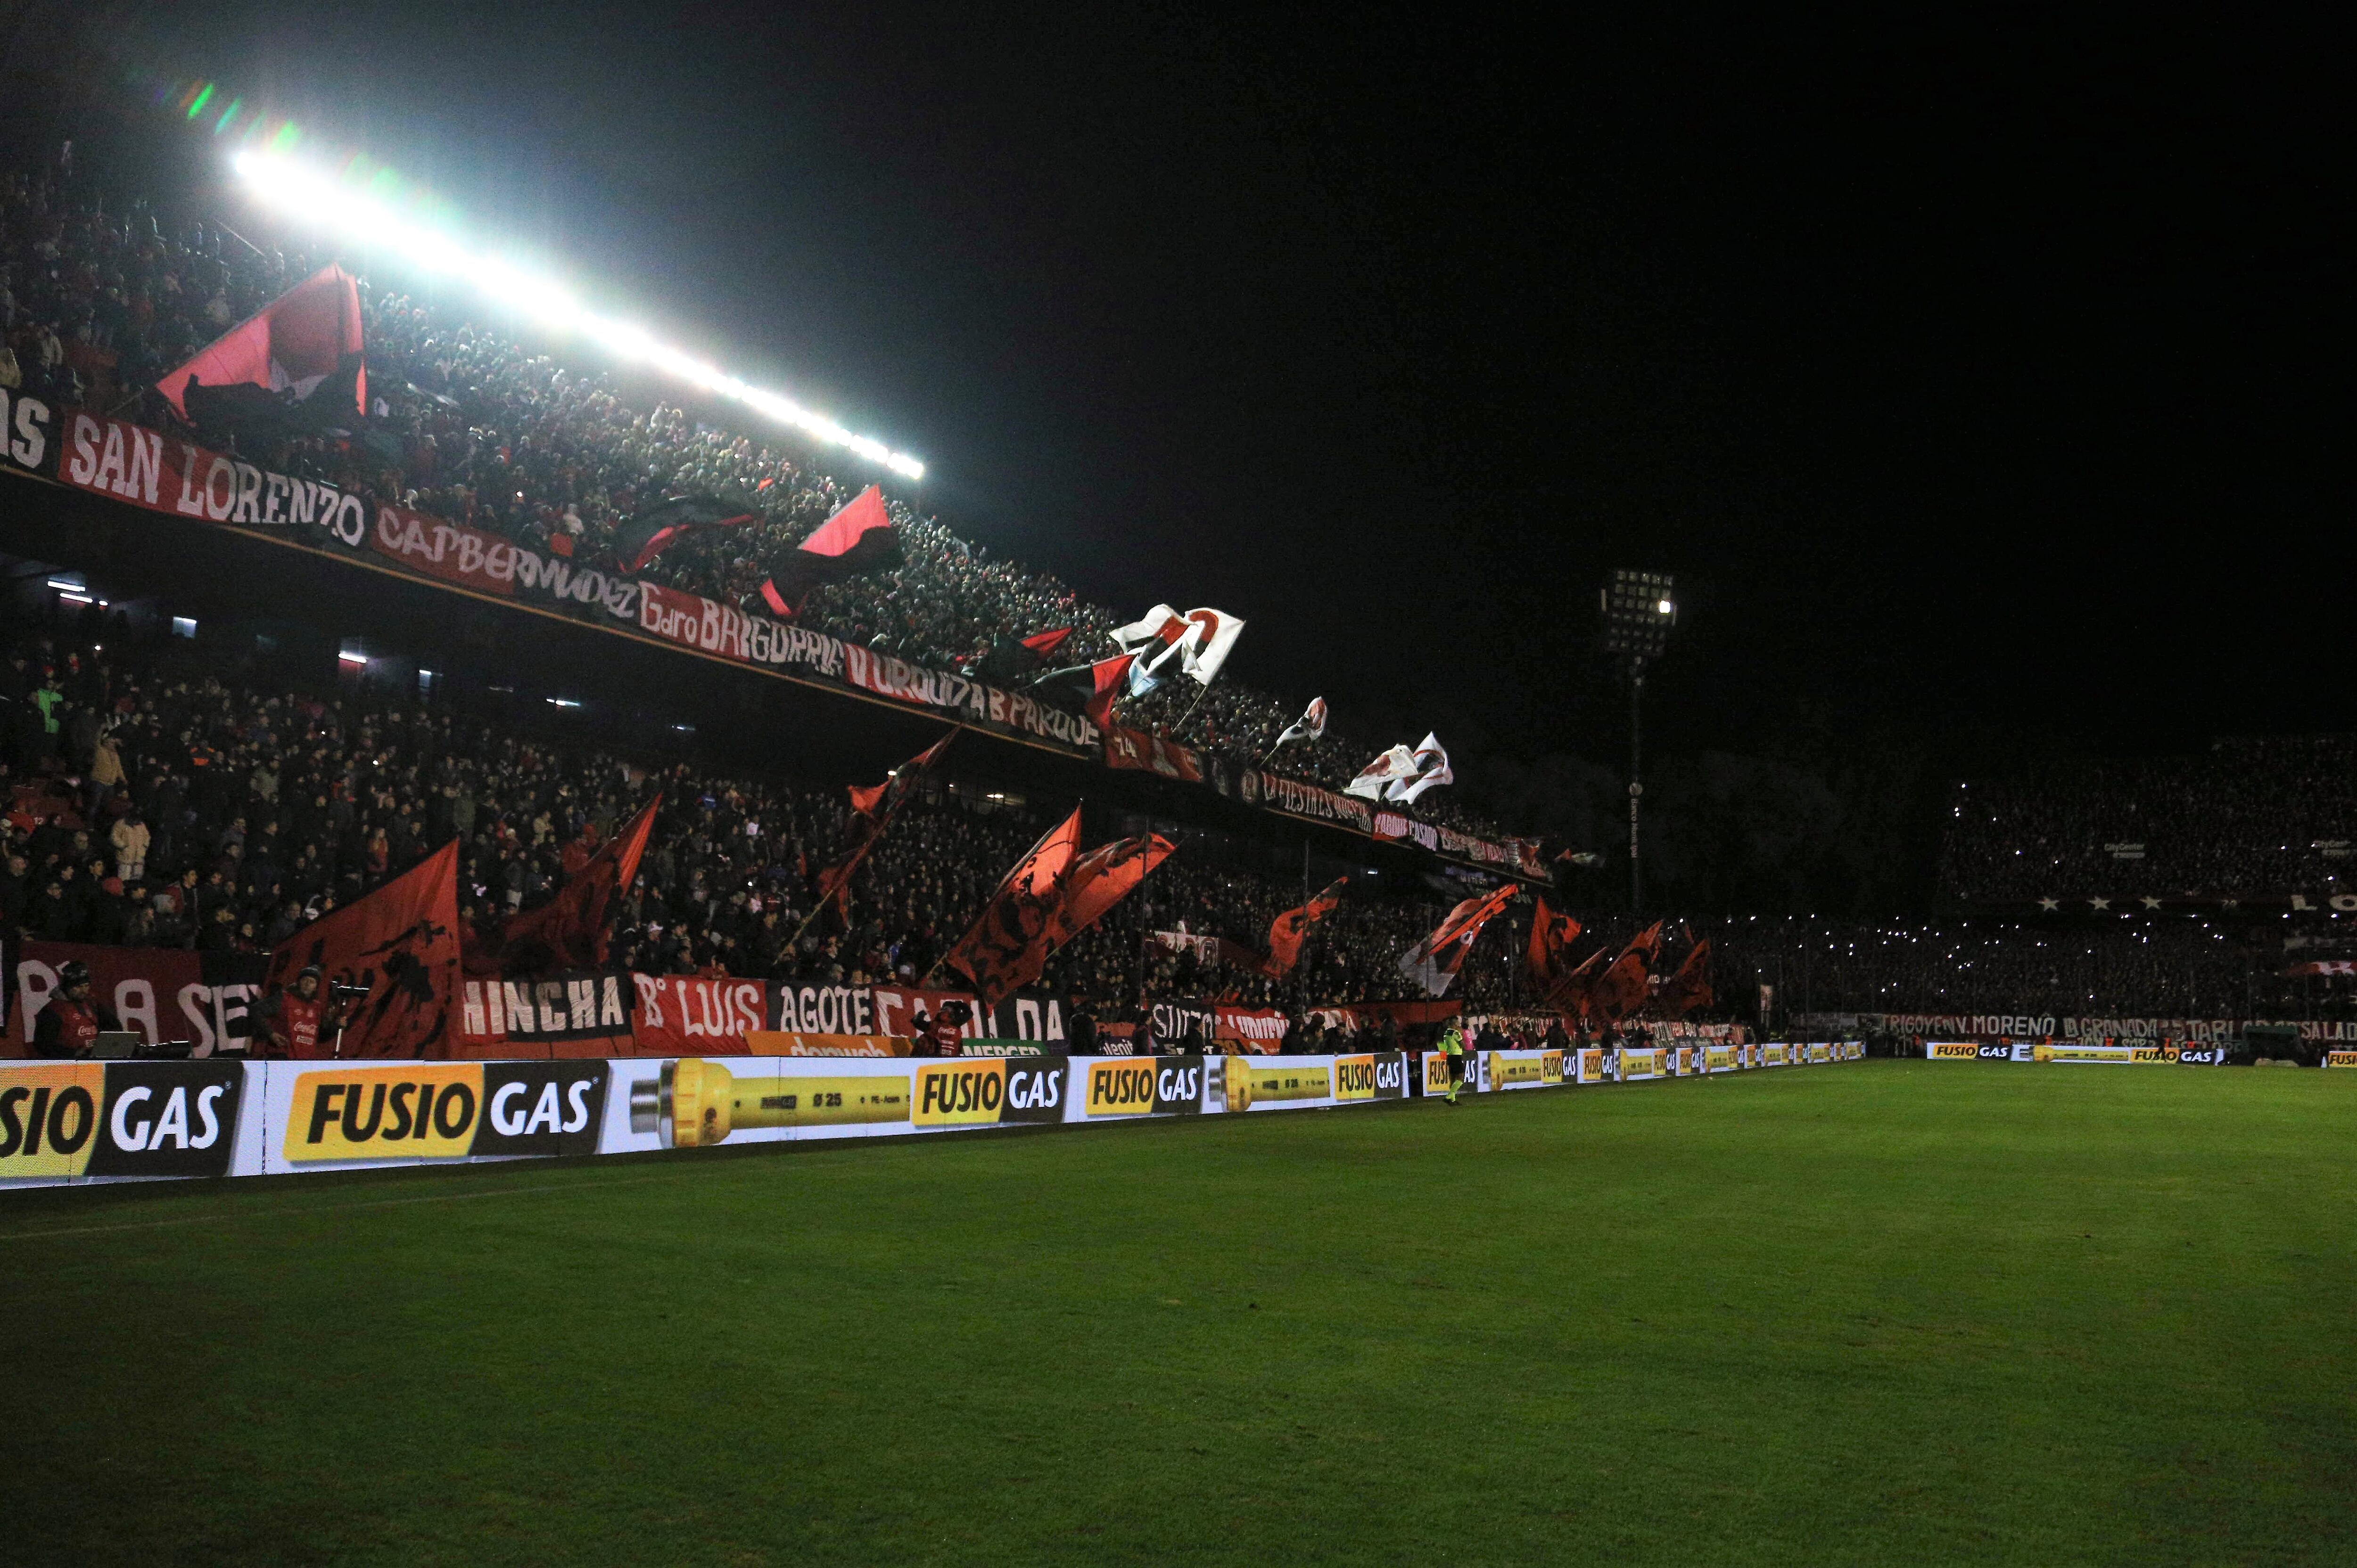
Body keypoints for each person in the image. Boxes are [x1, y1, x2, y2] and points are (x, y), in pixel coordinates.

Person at [32, 959, 117, 1057]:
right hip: (66, 1066)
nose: (83, 991)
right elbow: (43, 1044)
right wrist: (72, 1053)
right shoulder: (54, 1010)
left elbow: (114, 1026)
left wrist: (105, 1047)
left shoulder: (92, 1004)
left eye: (86, 986)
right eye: (78, 987)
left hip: (93, 1061)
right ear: (67, 987)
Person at [254, 965, 343, 1059]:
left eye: (312, 982)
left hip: (305, 1061)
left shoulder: (317, 1007)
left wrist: (336, 1026)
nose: (308, 984)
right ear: (298, 982)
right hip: (281, 1056)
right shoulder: (285, 998)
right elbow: (256, 1010)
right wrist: (271, 1034)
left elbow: (320, 1037)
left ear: (316, 987)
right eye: (305, 980)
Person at [1437, 1016, 1468, 1104]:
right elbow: (1463, 1045)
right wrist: (1461, 1035)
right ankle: (1448, 1097)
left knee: (1453, 1079)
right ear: (1455, 1024)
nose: (1459, 1024)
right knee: (1461, 1079)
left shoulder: (1446, 1032)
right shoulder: (1455, 1033)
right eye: (1458, 1023)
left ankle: (1452, 1100)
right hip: (1456, 1057)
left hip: (1450, 1056)